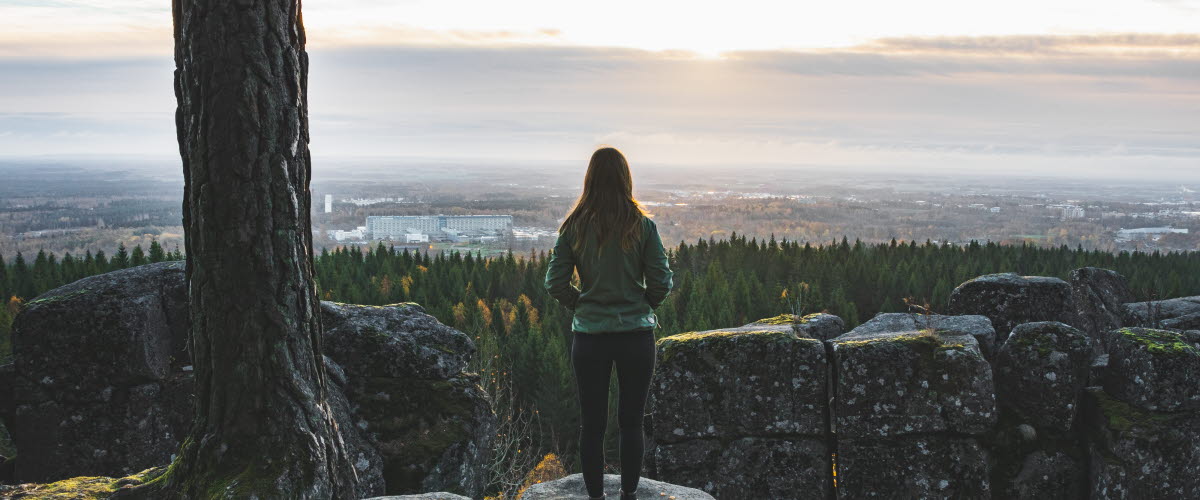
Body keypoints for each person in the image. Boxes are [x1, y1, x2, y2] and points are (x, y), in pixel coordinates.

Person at [545, 146, 674, 500]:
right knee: (631, 422)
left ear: (589, 179)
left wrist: (581, 304)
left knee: (592, 425)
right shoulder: (643, 226)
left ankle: (596, 498)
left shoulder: (573, 227)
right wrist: (642, 304)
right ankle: (629, 495)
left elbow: (554, 283)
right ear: (625, 179)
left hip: (590, 338)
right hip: (636, 336)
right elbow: (662, 282)